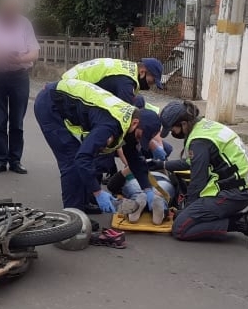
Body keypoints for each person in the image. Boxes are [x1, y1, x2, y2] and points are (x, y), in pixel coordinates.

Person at [34, 77, 162, 214]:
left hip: (68, 102)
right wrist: (98, 192)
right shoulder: (110, 124)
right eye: (139, 136)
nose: (137, 140)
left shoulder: (130, 121)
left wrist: (148, 189)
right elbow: (82, 158)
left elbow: (134, 157)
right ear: (136, 123)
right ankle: (74, 217)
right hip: (50, 104)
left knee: (87, 156)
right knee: (72, 161)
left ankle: (83, 205)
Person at [154, 101, 248, 248]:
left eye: (173, 129)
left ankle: (242, 222)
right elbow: (193, 163)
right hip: (244, 188)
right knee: (191, 216)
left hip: (232, 194)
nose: (173, 132)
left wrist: (188, 211)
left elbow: (198, 182)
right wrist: (162, 164)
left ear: (184, 124)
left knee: (180, 228)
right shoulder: (206, 127)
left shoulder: (198, 141)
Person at [0, 0, 39, 175]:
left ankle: (15, 160)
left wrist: (19, 59)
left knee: (17, 122)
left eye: (12, 9)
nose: (9, 13)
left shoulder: (24, 24)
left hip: (18, 76)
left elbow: (34, 52)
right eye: (6, 9)